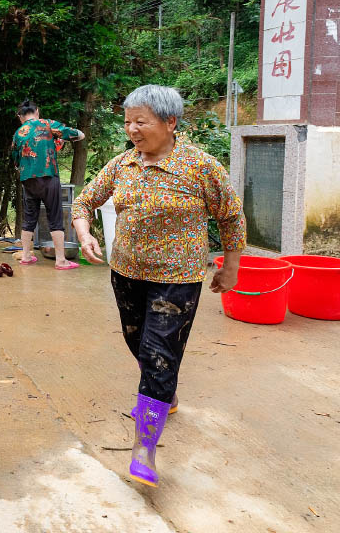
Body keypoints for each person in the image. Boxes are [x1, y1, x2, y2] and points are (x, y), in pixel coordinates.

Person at [72, 84, 245, 488]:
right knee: (139, 345)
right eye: (128, 121)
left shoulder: (200, 167)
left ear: (170, 122)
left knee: (158, 354)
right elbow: (84, 202)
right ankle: (167, 395)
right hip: (127, 273)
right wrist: (84, 233)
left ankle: (144, 448)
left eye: (141, 121)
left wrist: (231, 266)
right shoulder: (122, 165)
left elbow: (231, 217)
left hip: (177, 279)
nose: (132, 129)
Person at [9, 100, 85, 269]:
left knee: (29, 218)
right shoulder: (47, 124)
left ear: (20, 117)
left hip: (27, 178)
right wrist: (61, 135)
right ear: (37, 111)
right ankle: (61, 260)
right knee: (55, 217)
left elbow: (15, 159)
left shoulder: (18, 132)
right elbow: (78, 134)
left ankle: (27, 256)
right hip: (48, 176)